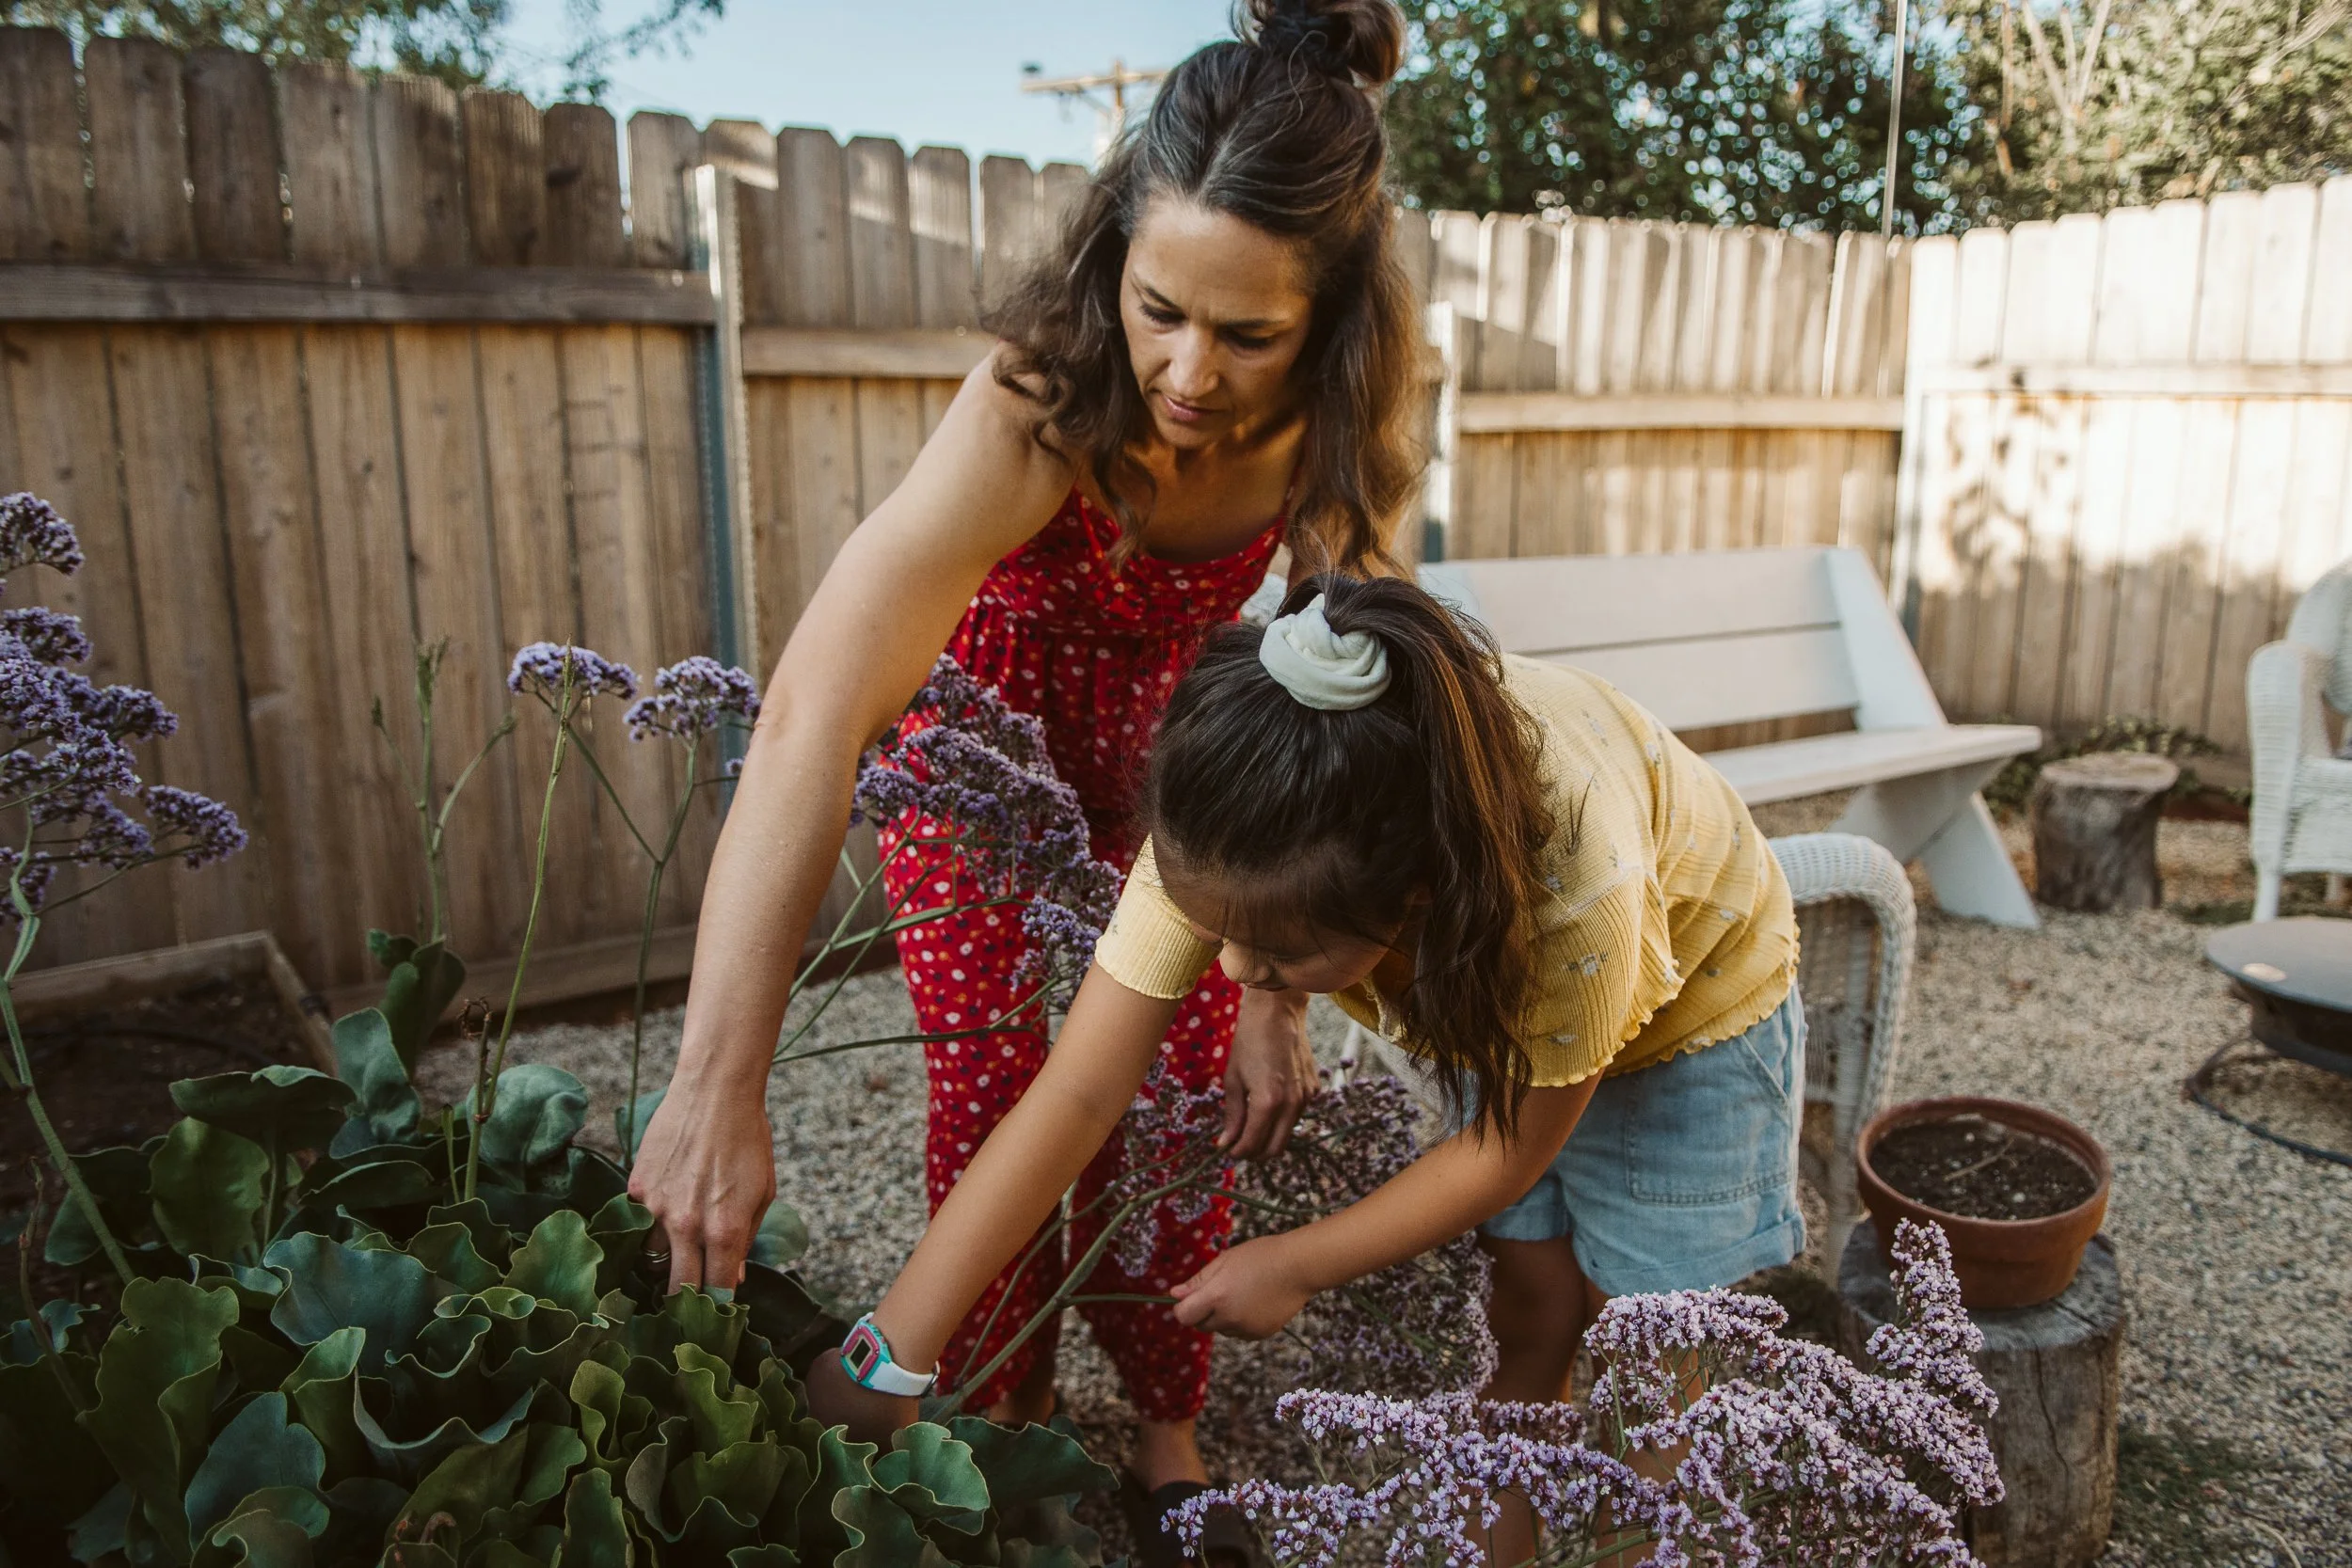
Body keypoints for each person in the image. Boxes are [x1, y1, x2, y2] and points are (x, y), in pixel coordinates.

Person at [628, 0, 1422, 1528]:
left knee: (1179, 1091)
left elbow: (1330, 712)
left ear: (1328, 325)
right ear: (1115, 253)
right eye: (1159, 304)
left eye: (1247, 334)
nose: (1188, 370)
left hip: (1176, 759)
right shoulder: (1037, 397)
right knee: (1003, 1089)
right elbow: (812, 709)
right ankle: (1003, 1400)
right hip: (984, 740)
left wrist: (1274, 993)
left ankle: (1168, 1419)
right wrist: (718, 1076)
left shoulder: (1335, 432)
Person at [813, 574, 1807, 1566]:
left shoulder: (1572, 892)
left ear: (1412, 898)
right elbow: (1077, 1090)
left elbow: (1503, 1144)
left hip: (1693, 1017)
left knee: (1659, 1361)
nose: (1235, 969)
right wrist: (889, 1350)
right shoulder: (1223, 828)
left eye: (1277, 961)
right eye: (1216, 936)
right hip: (1502, 1009)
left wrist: (1295, 1259)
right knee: (1528, 1307)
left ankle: (1643, 1543)